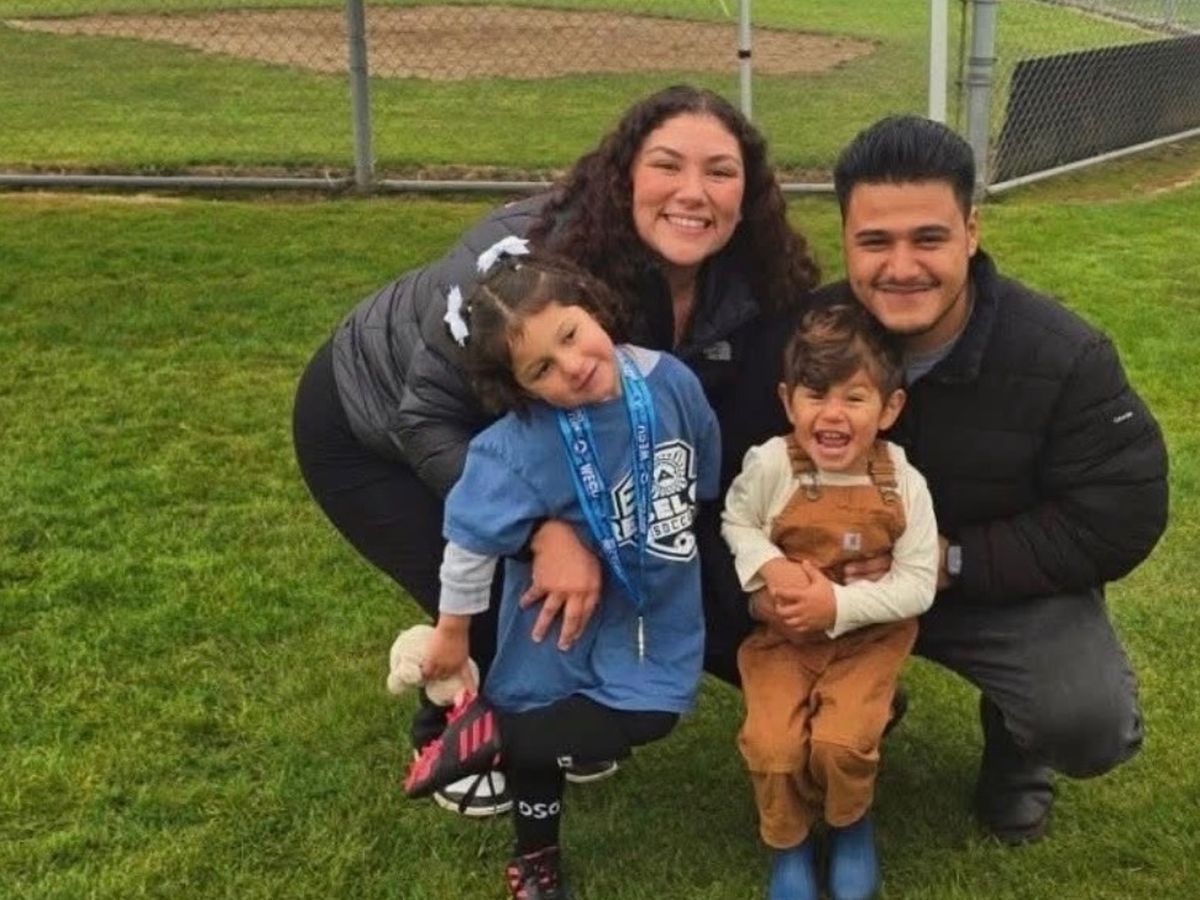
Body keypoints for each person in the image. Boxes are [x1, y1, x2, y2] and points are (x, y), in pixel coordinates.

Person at [292, 84, 823, 815]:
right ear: (624, 174)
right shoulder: (526, 258)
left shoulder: (749, 273)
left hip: (525, 438)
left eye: (720, 172)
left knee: (605, 561)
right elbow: (428, 419)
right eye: (667, 165)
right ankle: (451, 731)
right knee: (502, 596)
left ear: (750, 189)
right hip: (373, 425)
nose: (693, 193)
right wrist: (539, 533)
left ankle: (571, 712)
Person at [782, 114, 1168, 845]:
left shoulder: (1064, 354)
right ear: (846, 240)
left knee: (1086, 720)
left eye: (928, 238)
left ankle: (1018, 750)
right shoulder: (806, 335)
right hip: (842, 578)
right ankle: (851, 706)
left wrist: (950, 561)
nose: (902, 267)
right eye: (875, 241)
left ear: (971, 231)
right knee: (723, 612)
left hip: (987, 581)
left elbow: (1120, 512)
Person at [402, 248, 720, 900]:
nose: (572, 366)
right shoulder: (518, 443)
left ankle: (493, 737)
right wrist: (453, 634)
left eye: (571, 334)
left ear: (593, 308)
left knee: (651, 713)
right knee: (539, 726)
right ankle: (535, 860)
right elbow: (469, 538)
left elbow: (704, 474)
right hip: (553, 619)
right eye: (541, 368)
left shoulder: (672, 384)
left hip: (650, 609)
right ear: (520, 390)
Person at [721, 304, 938, 900]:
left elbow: (919, 584)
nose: (833, 414)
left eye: (855, 397)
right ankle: (787, 843)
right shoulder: (772, 464)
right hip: (784, 640)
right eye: (816, 395)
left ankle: (849, 824)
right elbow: (737, 521)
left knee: (841, 744)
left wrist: (838, 607)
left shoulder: (903, 482)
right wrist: (768, 567)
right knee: (774, 748)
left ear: (889, 408)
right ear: (788, 402)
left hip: (868, 641)